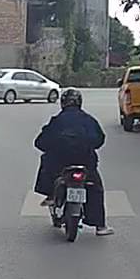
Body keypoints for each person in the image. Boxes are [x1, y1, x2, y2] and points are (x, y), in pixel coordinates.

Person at [34, 88, 114, 236]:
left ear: (63, 103)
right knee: (95, 189)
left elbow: (40, 142)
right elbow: (99, 140)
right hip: (85, 163)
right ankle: (100, 226)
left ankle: (50, 194)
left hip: (59, 163)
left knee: (46, 161)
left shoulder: (57, 121)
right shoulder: (88, 120)